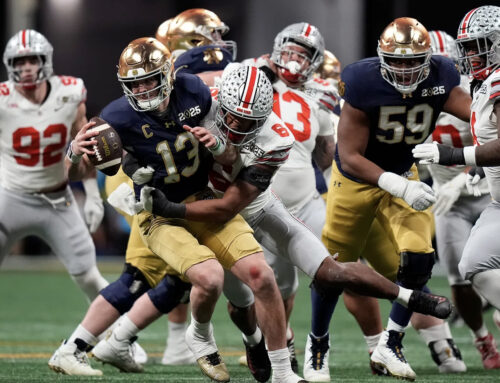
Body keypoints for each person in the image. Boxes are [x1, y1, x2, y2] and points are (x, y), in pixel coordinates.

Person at [87, 38, 304, 383]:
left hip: (203, 198)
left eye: (149, 80)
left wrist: (220, 146)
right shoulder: (116, 116)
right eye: (135, 83)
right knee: (208, 277)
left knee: (262, 276)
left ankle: (281, 371)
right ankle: (199, 335)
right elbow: (105, 159)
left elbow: (229, 156)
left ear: (169, 75)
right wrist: (98, 159)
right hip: (159, 212)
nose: (143, 89)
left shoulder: (196, 92)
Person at [321, 17, 471, 381]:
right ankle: (375, 346)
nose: (404, 71)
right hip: (355, 181)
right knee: (345, 269)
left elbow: (481, 120)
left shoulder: (441, 78)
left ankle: (428, 341)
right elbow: (345, 153)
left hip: (403, 175)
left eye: (413, 61)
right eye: (396, 61)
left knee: (409, 265)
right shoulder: (358, 83)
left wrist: (472, 161)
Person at [0, 30, 108, 302]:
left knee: (89, 277)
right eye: (19, 62)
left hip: (58, 199)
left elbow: (86, 147)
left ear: (45, 60)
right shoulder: (2, 99)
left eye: (32, 60)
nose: (25, 68)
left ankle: (123, 340)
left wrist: (93, 194)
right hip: (10, 197)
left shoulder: (70, 93)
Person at [413, 5, 500, 316]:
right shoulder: (482, 84)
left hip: (487, 197)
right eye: (467, 49)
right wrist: (477, 167)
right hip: (492, 198)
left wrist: (455, 156)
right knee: (471, 265)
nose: (471, 57)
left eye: (478, 47)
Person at [425, 29, 500, 370]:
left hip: (484, 191)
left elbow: (491, 144)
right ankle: (483, 340)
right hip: (448, 199)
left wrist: (467, 171)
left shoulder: (480, 90)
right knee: (462, 270)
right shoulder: (416, 99)